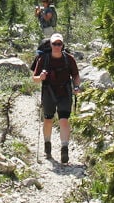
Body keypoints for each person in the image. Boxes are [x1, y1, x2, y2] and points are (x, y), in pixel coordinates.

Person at [31, 32, 80, 163]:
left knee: (64, 120)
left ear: (62, 45)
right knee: (48, 120)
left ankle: (65, 149)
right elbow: (34, 78)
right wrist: (40, 77)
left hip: (65, 92)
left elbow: (75, 75)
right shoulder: (43, 59)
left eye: (59, 44)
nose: (57, 46)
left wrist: (76, 87)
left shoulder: (69, 59)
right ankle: (47, 145)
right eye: (54, 44)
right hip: (48, 92)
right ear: (51, 45)